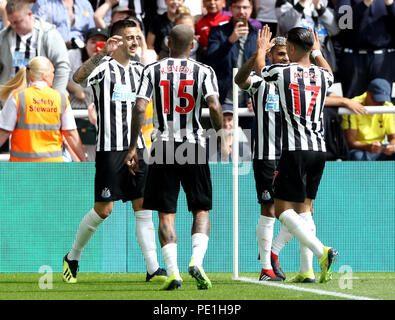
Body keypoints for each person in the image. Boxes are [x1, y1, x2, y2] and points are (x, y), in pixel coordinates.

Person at [62, 19, 166, 284]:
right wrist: (101, 53)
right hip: (110, 150)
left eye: (137, 38)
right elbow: (77, 78)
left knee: (143, 208)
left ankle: (153, 267)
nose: (135, 42)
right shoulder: (104, 68)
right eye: (129, 38)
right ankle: (73, 257)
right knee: (103, 210)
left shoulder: (142, 71)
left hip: (138, 148)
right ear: (117, 40)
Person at [125, 24, 223, 290]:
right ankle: (197, 260)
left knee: (166, 214)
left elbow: (139, 107)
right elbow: (214, 105)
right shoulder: (204, 71)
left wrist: (134, 145)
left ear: (168, 43)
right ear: (192, 46)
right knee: (200, 209)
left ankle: (173, 273)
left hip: (163, 146)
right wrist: (219, 132)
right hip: (193, 144)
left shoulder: (152, 69)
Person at [254, 26, 338, 284]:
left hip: (295, 149)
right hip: (319, 150)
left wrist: (260, 50)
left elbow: (259, 71)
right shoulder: (323, 76)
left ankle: (321, 251)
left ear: (290, 48)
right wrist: (317, 51)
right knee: (306, 210)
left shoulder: (282, 71)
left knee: (281, 210)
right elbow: (331, 73)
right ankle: (307, 270)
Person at [235, 33, 289, 281]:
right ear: (269, 56)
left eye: (288, 53)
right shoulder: (259, 83)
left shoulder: (295, 80)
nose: (285, 58)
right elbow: (239, 79)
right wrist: (255, 53)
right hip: (267, 155)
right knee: (268, 209)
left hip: (293, 154)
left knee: (303, 210)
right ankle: (266, 268)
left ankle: (273, 252)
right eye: (280, 54)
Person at [0, 56, 87, 162]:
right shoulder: (61, 98)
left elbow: (3, 132)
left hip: (22, 166)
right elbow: (71, 134)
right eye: (53, 72)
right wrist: (84, 160)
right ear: (45, 76)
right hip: (53, 165)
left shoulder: (17, 97)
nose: (54, 75)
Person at [0, 0, 70, 98]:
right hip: (11, 99)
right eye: (10, 22)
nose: (13, 26)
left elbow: (62, 66)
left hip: (43, 100)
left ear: (29, 14)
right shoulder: (3, 37)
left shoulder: (49, 34)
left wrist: (56, 97)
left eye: (17, 21)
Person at [207, 0, 258, 132]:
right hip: (223, 100)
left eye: (245, 7)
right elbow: (211, 61)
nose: (241, 11)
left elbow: (264, 69)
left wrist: (257, 96)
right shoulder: (217, 32)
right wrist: (230, 40)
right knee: (220, 148)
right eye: (237, 7)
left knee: (250, 147)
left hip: (249, 102)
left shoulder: (258, 35)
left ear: (251, 9)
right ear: (230, 8)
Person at [335, 0, 395, 98]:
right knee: (354, 104)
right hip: (354, 58)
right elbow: (343, 23)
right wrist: (364, 4)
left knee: (381, 101)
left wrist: (390, 4)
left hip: (383, 58)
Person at [67, 27, 109, 161]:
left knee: (96, 160)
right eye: (93, 41)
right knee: (76, 160)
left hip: (100, 117)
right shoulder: (73, 55)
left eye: (102, 42)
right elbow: (58, 76)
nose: (97, 45)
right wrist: (74, 88)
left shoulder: (112, 60)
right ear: (85, 43)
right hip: (76, 114)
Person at [275, 0, 340, 74]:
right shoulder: (287, 2)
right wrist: (301, 4)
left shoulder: (324, 3)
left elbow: (335, 30)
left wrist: (319, 8)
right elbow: (286, 25)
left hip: (323, 59)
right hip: (296, 64)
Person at [342, 78, 395, 161]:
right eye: (377, 100)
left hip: (380, 149)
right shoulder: (353, 105)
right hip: (360, 150)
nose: (379, 105)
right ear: (368, 94)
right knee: (357, 156)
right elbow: (351, 142)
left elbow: (393, 138)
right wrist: (368, 147)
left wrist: (391, 147)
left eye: (382, 102)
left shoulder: (388, 107)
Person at [32, 0, 96, 49]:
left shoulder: (85, 4)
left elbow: (92, 33)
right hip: (53, 50)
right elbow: (36, 32)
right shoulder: (43, 3)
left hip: (81, 53)